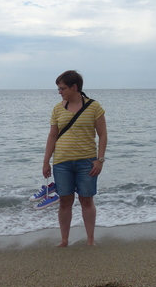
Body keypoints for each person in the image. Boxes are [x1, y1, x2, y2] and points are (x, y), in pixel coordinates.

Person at [42, 70, 107, 247]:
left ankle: (90, 240)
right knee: (64, 201)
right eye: (58, 88)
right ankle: (64, 240)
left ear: (74, 87)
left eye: (62, 88)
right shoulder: (57, 108)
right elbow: (52, 136)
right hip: (61, 163)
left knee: (86, 200)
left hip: (87, 162)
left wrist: (99, 160)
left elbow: (102, 135)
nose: (59, 92)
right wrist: (46, 161)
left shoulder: (94, 107)